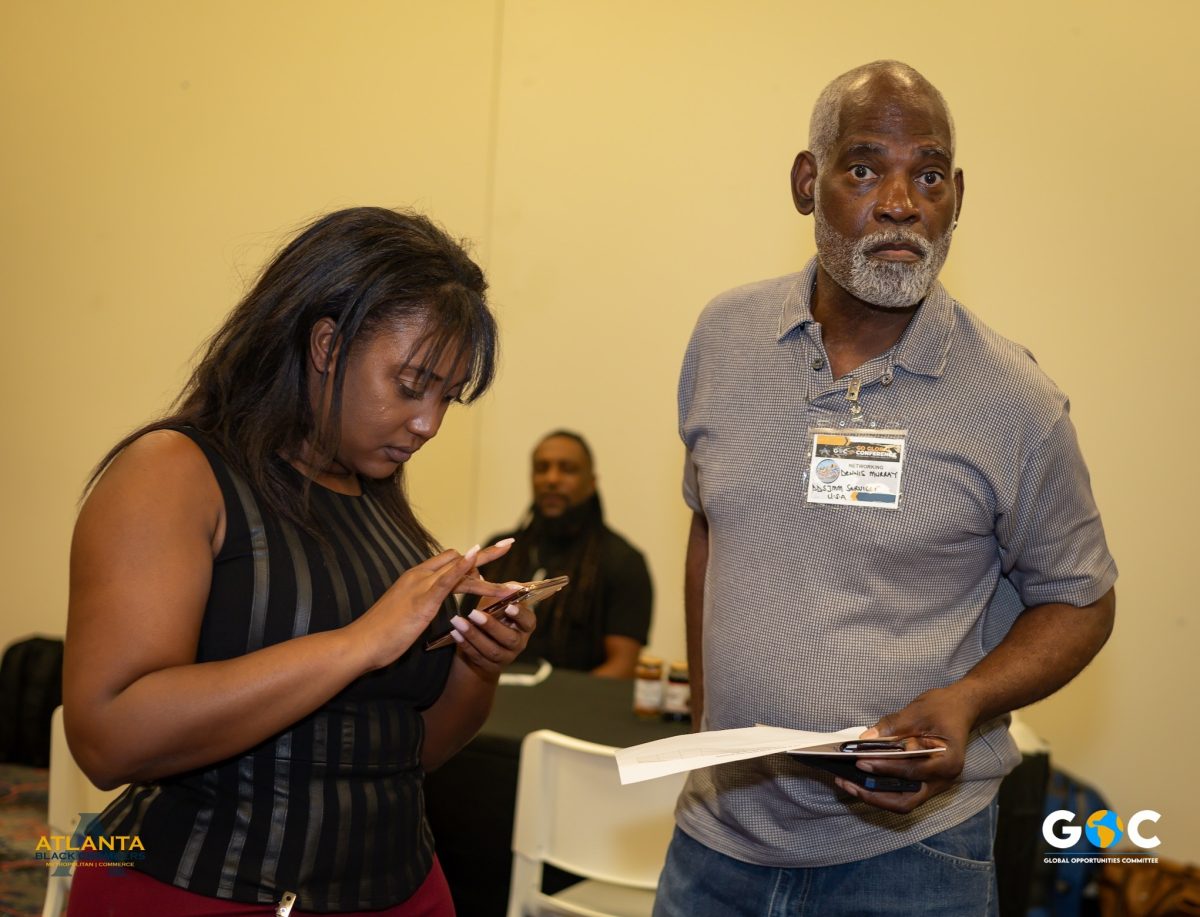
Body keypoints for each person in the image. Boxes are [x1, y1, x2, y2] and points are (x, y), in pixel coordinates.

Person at [656, 61, 1117, 916]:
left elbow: (1082, 602)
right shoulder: (724, 335)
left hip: (914, 861)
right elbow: (710, 525)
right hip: (715, 846)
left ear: (957, 199)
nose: (902, 203)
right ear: (808, 182)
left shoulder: (1016, 401)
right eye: (865, 169)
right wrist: (707, 727)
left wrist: (968, 700)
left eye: (929, 176)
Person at [62, 207, 535, 916]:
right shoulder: (173, 473)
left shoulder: (380, 505)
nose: (429, 423)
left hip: (404, 889)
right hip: (201, 891)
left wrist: (478, 661)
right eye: (411, 385)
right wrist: (359, 642)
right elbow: (109, 737)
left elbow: (410, 752)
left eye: (448, 397)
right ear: (325, 344)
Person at [477, 430, 652, 678]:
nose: (552, 479)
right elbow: (465, 638)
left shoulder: (623, 561)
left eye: (568, 469)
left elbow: (622, 665)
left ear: (591, 482)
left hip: (576, 700)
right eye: (542, 468)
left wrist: (563, 698)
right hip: (492, 693)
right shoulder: (500, 552)